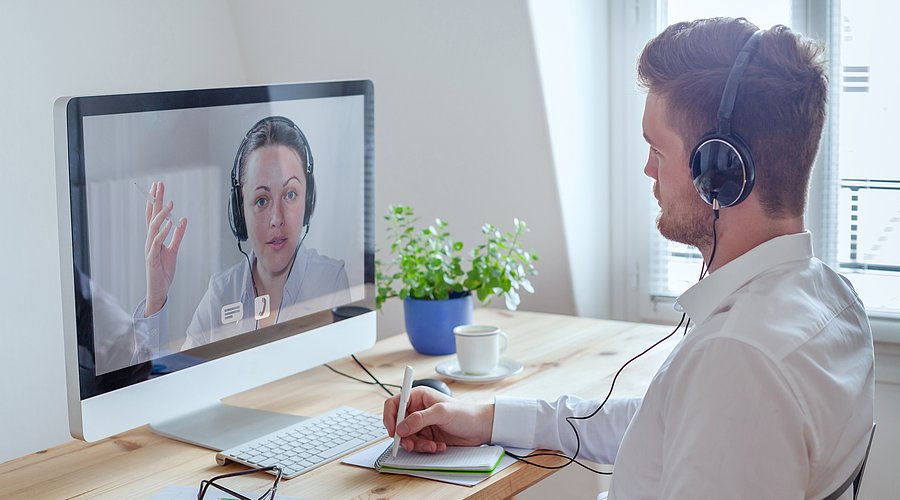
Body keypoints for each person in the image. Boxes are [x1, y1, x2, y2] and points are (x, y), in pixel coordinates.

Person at [383, 18, 874, 499]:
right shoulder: (831, 298)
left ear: (720, 170)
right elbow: (660, 428)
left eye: (657, 151)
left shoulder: (739, 360)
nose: (647, 169)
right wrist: (486, 420)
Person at [132, 116, 351, 361]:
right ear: (240, 212)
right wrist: (156, 298)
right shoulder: (221, 294)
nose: (277, 219)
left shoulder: (329, 281)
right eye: (261, 200)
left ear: (308, 201)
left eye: (290, 194)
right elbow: (174, 385)